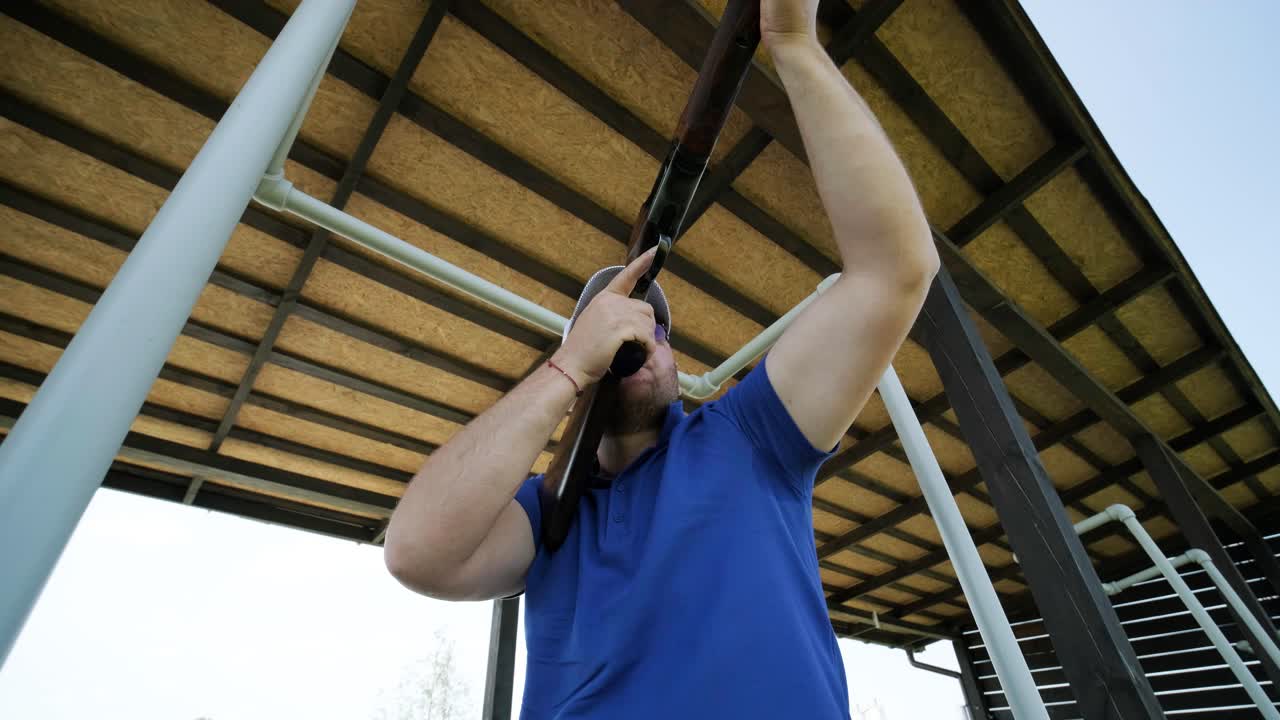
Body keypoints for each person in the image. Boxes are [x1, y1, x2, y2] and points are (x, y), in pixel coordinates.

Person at [383, 0, 938, 717]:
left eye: (657, 329)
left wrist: (795, 43)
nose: (639, 335)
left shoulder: (749, 437)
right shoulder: (544, 514)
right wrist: (568, 367)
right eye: (611, 326)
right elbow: (416, 554)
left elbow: (895, 270)